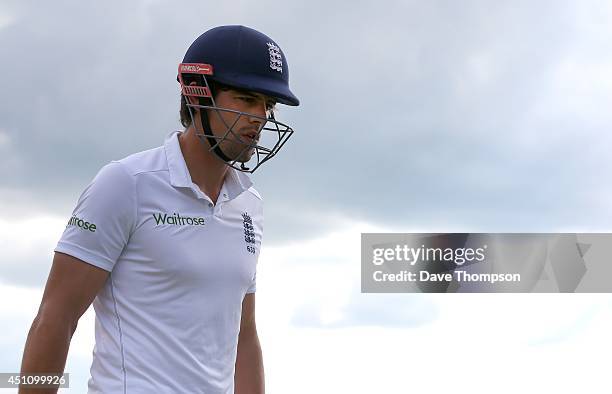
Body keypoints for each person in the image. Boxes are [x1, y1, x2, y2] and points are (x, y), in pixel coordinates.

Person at [19, 25, 300, 394]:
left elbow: (243, 339)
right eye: (246, 99)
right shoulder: (125, 183)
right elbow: (55, 318)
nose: (260, 116)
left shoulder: (249, 205)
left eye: (268, 104)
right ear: (197, 94)